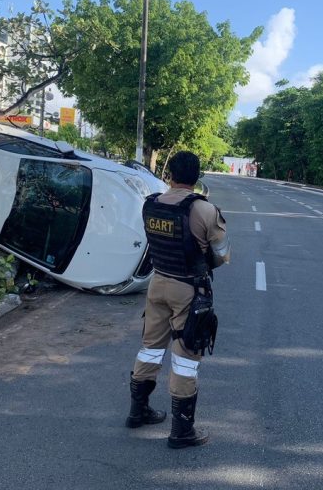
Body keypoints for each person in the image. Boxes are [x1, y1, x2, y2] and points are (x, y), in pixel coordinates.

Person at [127, 151, 231, 449]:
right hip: (189, 291)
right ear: (196, 177)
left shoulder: (151, 205)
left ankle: (138, 411)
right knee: (185, 359)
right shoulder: (205, 210)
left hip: (157, 284)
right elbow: (222, 254)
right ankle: (181, 431)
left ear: (169, 174)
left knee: (149, 349)